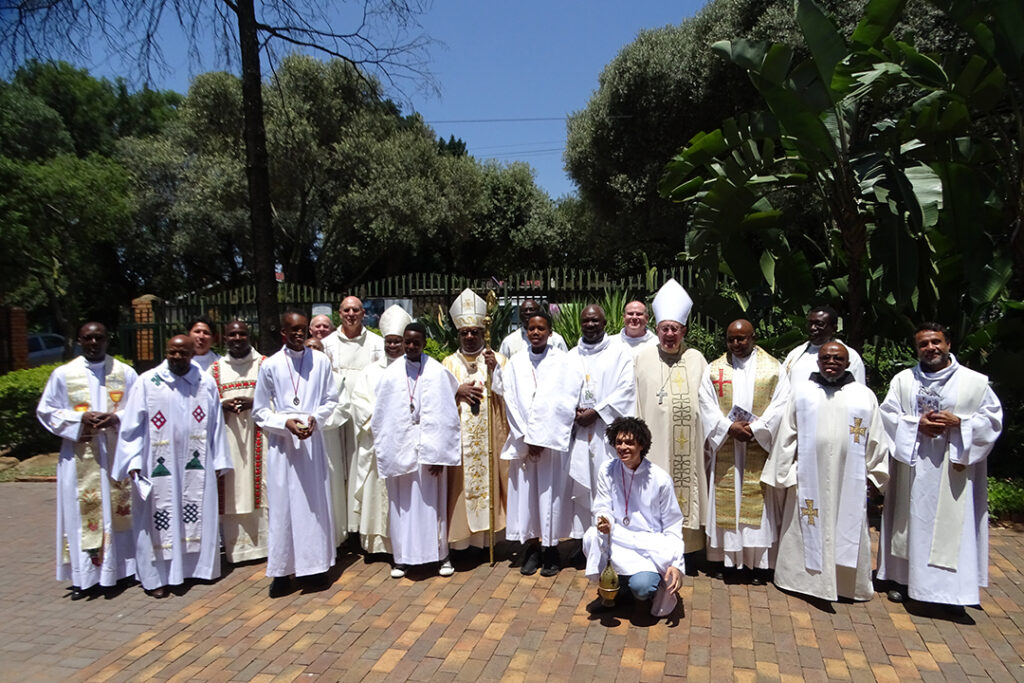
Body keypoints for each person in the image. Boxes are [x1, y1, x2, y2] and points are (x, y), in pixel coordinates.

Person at [877, 323, 1002, 610]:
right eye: (923, 344)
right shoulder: (903, 380)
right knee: (910, 521)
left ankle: (952, 591)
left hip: (954, 467)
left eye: (936, 342)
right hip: (914, 464)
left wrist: (961, 424)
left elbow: (992, 421)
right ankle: (902, 581)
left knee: (951, 527)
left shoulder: (974, 382)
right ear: (916, 349)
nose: (930, 348)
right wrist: (916, 424)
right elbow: (887, 416)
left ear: (947, 344)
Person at [762, 342, 888, 602]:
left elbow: (876, 437)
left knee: (847, 522)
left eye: (838, 358)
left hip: (848, 480)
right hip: (808, 477)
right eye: (826, 358)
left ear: (847, 362)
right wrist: (784, 471)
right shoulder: (802, 392)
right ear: (818, 361)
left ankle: (845, 584)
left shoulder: (863, 396)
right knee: (803, 525)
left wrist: (876, 476)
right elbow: (787, 433)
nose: (832, 362)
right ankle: (800, 580)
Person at [114, 335, 231, 598]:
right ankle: (156, 578)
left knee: (196, 510)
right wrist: (132, 462)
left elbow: (215, 425)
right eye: (172, 352)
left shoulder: (204, 382)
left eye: (183, 353)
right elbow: (132, 426)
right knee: (155, 517)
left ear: (193, 354)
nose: (177, 357)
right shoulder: (148, 382)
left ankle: (196, 569)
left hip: (197, 464)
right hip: (157, 465)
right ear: (165, 352)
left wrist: (220, 461)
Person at [37, 322, 139, 599]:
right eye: (88, 338)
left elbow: (140, 408)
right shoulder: (63, 374)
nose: (94, 342)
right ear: (80, 341)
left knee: (119, 512)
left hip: (116, 452)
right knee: (84, 514)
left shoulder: (124, 372)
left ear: (108, 340)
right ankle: (87, 577)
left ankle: (121, 572)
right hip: (79, 455)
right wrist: (78, 418)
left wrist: (117, 417)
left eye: (99, 338)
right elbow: (46, 411)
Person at [253, 312, 339, 597]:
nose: (298, 334)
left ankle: (315, 568)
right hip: (284, 446)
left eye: (302, 329)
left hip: (312, 443)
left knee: (313, 506)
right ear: (283, 333)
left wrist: (315, 417)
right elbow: (260, 410)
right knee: (283, 506)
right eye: (293, 330)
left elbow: (331, 400)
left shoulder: (322, 362)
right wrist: (284, 423)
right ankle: (281, 570)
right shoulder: (271, 365)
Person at [698, 319, 789, 582]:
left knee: (757, 502)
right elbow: (705, 403)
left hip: (756, 445)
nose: (736, 344)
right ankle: (726, 560)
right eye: (731, 339)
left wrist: (758, 429)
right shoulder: (714, 369)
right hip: (727, 443)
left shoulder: (773, 368)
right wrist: (727, 427)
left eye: (742, 338)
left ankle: (757, 563)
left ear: (753, 338)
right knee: (727, 499)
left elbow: (782, 402)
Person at [372, 322, 461, 578]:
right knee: (403, 505)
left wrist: (440, 453)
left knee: (432, 503)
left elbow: (447, 414)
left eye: (416, 342)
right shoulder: (390, 374)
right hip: (401, 446)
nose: (411, 346)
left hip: (431, 448)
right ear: (401, 342)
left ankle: (442, 556)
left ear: (424, 342)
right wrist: (392, 448)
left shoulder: (436, 371)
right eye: (407, 342)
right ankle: (402, 558)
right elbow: (381, 414)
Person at [501, 309, 584, 577]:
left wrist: (545, 437)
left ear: (550, 332)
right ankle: (533, 548)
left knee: (551, 497)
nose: (536, 333)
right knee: (528, 499)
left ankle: (551, 551)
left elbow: (567, 399)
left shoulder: (564, 361)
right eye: (531, 328)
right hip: (525, 444)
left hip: (552, 445)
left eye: (541, 328)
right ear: (525, 331)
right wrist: (527, 436)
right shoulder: (515, 363)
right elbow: (510, 402)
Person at [634, 278, 708, 557]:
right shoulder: (642, 358)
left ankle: (688, 549)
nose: (669, 334)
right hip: (652, 445)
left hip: (689, 446)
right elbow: (634, 402)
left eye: (674, 329)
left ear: (683, 330)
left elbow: (708, 404)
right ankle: (655, 544)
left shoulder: (697, 359)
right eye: (664, 329)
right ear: (656, 329)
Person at [582, 417, 685, 617]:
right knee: (592, 537)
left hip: (648, 544)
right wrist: (605, 521)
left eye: (629, 442)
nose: (623, 447)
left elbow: (672, 524)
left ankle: (641, 597)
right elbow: (603, 505)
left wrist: (676, 563)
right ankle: (611, 592)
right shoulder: (608, 470)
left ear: (642, 445)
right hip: (619, 537)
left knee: (642, 586)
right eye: (619, 442)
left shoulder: (660, 479)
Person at [443, 289, 511, 556]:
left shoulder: (499, 360)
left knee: (489, 481)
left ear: (483, 333)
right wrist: (455, 392)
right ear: (458, 335)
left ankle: (486, 542)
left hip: (490, 440)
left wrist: (496, 371)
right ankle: (461, 541)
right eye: (464, 333)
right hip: (460, 442)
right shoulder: (448, 363)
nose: (470, 336)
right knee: (461, 487)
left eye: (475, 332)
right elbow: (435, 400)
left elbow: (511, 396)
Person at [345, 304, 412, 555]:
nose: (393, 346)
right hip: (377, 445)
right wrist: (381, 423)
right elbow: (359, 402)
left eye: (398, 342)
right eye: (389, 342)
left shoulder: (414, 368)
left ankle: (402, 543)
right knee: (376, 494)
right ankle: (377, 546)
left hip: (404, 446)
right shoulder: (371, 371)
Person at [567, 304, 636, 537]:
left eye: (595, 320)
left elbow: (627, 389)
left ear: (605, 323)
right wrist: (573, 411)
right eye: (586, 321)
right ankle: (583, 541)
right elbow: (560, 390)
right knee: (582, 488)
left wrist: (596, 412)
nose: (590, 325)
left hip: (606, 433)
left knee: (607, 487)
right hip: (578, 433)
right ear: (580, 323)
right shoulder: (570, 356)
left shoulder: (619, 353)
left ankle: (608, 539)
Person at [321, 296, 384, 545]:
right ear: (339, 313)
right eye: (346, 310)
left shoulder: (377, 344)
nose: (350, 314)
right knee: (338, 470)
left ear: (363, 314)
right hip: (336, 415)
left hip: (363, 414)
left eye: (355, 310)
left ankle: (358, 525)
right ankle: (341, 527)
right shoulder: (326, 345)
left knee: (361, 466)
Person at [211, 321, 268, 563]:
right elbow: (203, 405)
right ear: (225, 337)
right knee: (232, 488)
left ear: (249, 336)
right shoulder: (214, 370)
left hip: (260, 437)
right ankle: (237, 549)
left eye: (241, 334)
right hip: (229, 437)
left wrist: (254, 402)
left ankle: (265, 546)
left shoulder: (264, 364)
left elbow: (278, 398)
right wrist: (220, 405)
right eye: (232, 334)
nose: (237, 338)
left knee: (262, 486)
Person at [782, 305, 865, 385]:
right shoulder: (795, 354)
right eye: (810, 324)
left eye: (819, 324)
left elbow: (858, 390)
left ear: (834, 328)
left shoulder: (849, 355)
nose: (813, 328)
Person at [499, 298, 568, 357]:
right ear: (520, 315)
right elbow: (502, 366)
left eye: (531, 309)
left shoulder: (556, 340)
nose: (528, 312)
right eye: (525, 310)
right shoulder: (509, 341)